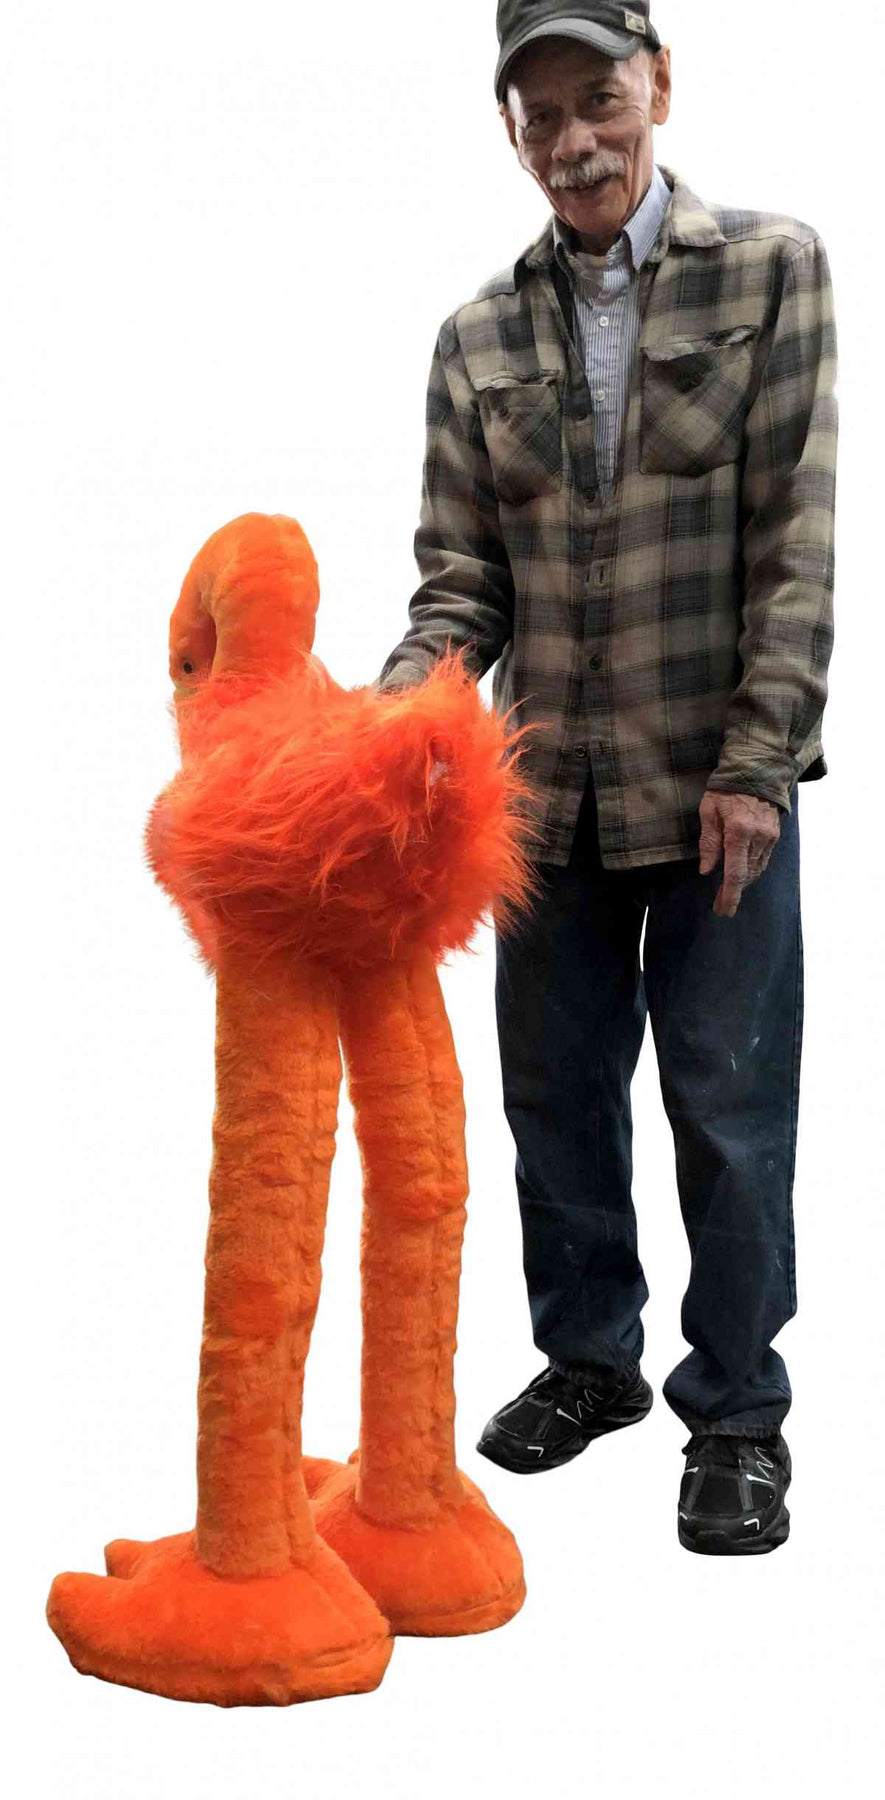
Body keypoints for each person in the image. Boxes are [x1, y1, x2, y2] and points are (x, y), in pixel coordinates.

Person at [373, 1, 837, 1556]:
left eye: (599, 99)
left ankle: (738, 1413)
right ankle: (589, 1363)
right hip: (542, 800)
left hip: (715, 796)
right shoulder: (474, 339)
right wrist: (382, 726)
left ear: (658, 86)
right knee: (554, 1098)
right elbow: (459, 588)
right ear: (510, 132)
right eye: (541, 116)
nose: (574, 140)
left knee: (727, 1107)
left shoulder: (770, 271)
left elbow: (793, 542)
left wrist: (758, 761)